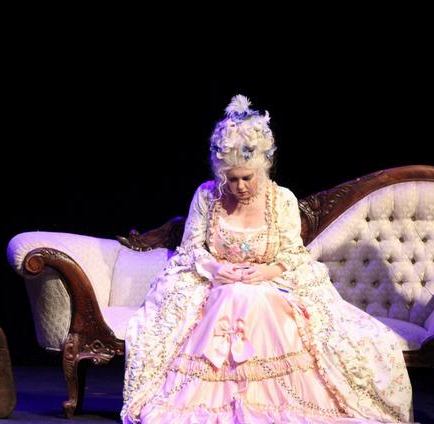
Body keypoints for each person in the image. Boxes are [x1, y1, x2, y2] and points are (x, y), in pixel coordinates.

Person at [120, 95, 413, 423]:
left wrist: (266, 273)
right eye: (231, 179)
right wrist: (216, 268)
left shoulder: (281, 199)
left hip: (271, 284)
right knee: (232, 296)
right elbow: (191, 249)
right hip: (214, 284)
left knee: (256, 300)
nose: (240, 186)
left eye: (247, 178)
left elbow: (291, 253)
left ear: (263, 167)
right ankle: (213, 401)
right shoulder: (207, 195)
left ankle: (268, 401)